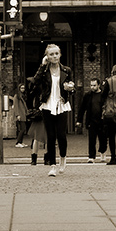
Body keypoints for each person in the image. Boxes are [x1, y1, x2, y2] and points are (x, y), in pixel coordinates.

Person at [32, 44, 74, 177]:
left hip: (61, 105)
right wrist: (42, 65)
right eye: (51, 54)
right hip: (48, 105)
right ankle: (52, 166)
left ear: (60, 54)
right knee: (50, 136)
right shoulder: (44, 71)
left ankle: (63, 158)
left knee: (61, 135)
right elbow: (35, 81)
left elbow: (72, 87)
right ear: (47, 57)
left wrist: (70, 88)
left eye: (56, 53)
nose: (54, 56)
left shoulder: (66, 70)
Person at [77, 77, 106, 163]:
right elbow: (82, 108)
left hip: (102, 120)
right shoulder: (88, 95)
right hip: (91, 120)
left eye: (94, 85)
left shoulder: (103, 95)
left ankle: (102, 153)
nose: (92, 87)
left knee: (103, 138)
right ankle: (91, 156)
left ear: (99, 85)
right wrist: (79, 120)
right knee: (92, 139)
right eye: (91, 85)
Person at [11, 82, 28, 148]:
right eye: (21, 88)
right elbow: (16, 106)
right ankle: (18, 142)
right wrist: (17, 115)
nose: (23, 89)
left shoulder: (21, 96)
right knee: (22, 129)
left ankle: (21, 141)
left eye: (23, 88)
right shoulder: (17, 96)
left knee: (23, 129)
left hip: (22, 114)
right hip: (20, 114)